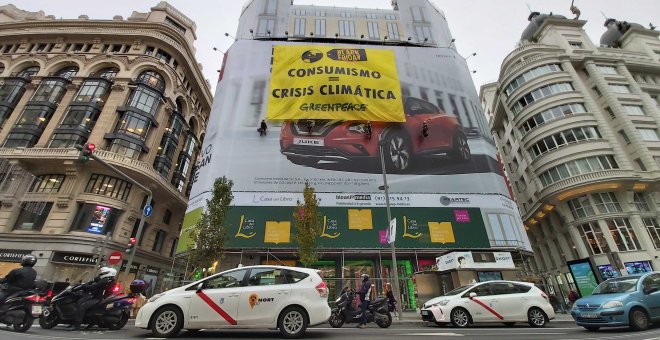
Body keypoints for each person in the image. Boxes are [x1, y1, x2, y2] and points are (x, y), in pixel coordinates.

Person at [66, 267, 117, 331]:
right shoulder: (103, 279)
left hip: (99, 299)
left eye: (104, 273)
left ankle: (77, 325)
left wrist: (83, 286)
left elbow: (94, 287)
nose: (101, 273)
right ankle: (73, 322)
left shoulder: (107, 281)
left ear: (109, 273)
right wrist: (83, 284)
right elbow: (92, 282)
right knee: (79, 302)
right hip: (93, 296)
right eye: (102, 272)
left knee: (82, 306)